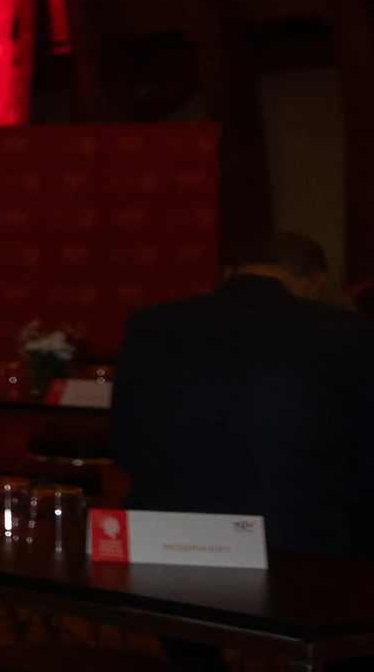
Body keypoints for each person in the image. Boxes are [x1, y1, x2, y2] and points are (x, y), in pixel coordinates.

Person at [114, 230, 374, 557]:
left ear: (231, 272)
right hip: (301, 544)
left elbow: (125, 443)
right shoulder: (350, 333)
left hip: (166, 539)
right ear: (316, 282)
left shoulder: (150, 324)